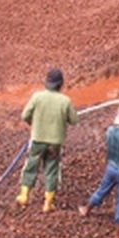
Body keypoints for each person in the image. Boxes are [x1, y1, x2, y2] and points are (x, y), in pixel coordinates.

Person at [16, 67, 79, 212]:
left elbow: (25, 115)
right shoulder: (65, 101)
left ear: (47, 82)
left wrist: (34, 124)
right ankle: (48, 203)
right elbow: (74, 120)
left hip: (37, 139)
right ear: (61, 84)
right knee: (52, 169)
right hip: (55, 142)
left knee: (31, 165)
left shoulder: (37, 97)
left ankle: (24, 196)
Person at [79, 103, 119, 238]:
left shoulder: (110, 131)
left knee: (102, 190)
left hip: (111, 167)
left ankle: (86, 209)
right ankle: (118, 234)